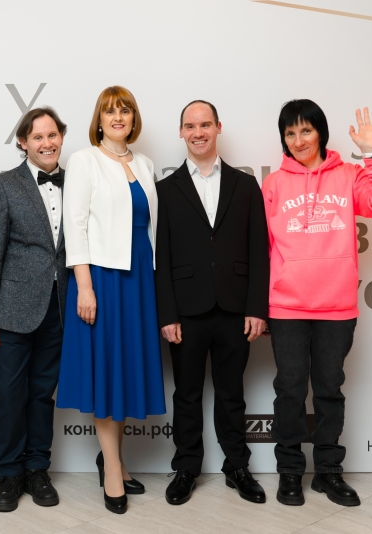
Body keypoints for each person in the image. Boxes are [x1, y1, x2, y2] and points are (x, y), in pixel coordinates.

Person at [262, 100, 372, 507]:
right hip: (287, 306)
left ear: (320, 132)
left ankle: (327, 472)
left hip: (336, 305)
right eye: (290, 133)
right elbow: (262, 248)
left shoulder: (349, 175)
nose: (298, 140)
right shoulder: (273, 185)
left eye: (306, 130)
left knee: (329, 390)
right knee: (289, 390)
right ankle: (290, 471)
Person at [56, 86, 166, 515]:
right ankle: (113, 472)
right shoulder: (85, 160)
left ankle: (114, 460)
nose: (118, 117)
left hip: (139, 278)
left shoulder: (144, 163)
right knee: (105, 372)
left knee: (123, 370)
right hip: (102, 278)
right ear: (99, 120)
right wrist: (84, 286)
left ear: (133, 118)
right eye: (110, 111)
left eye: (125, 110)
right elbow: (75, 225)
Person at [155, 100, 270, 506]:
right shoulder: (165, 190)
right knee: (186, 394)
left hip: (235, 309)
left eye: (205, 124)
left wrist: (257, 308)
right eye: (190, 126)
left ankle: (237, 466)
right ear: (181, 132)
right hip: (185, 311)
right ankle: (186, 467)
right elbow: (160, 257)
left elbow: (259, 252)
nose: (198, 132)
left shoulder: (246, 185)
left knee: (231, 393)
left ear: (218, 127)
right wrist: (167, 314)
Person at [0, 107, 69, 512]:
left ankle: (37, 469)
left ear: (61, 137)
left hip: (60, 308)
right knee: (11, 396)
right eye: (38, 137)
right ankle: (10, 474)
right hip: (13, 311)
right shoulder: (4, 185)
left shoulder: (77, 182)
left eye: (53, 135)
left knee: (42, 395)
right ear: (23, 142)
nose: (47, 143)